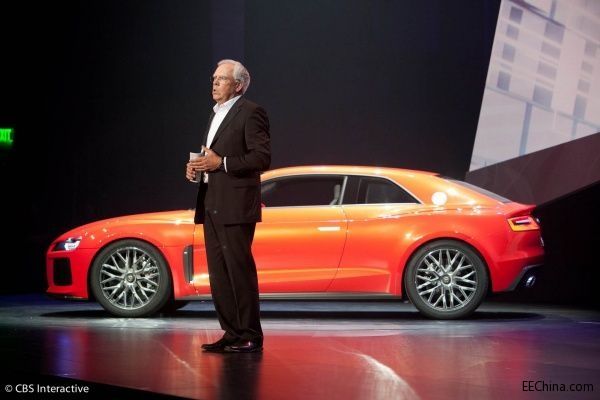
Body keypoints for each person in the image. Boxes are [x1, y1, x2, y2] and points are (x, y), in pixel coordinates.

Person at [186, 59, 270, 353]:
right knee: (219, 273)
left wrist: (219, 163)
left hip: (235, 205)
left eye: (221, 79)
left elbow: (261, 158)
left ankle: (250, 334)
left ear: (238, 85)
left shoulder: (251, 112)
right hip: (211, 201)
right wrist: (197, 167)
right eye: (214, 78)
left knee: (238, 270)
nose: (214, 83)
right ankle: (232, 333)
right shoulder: (215, 113)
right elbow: (211, 157)